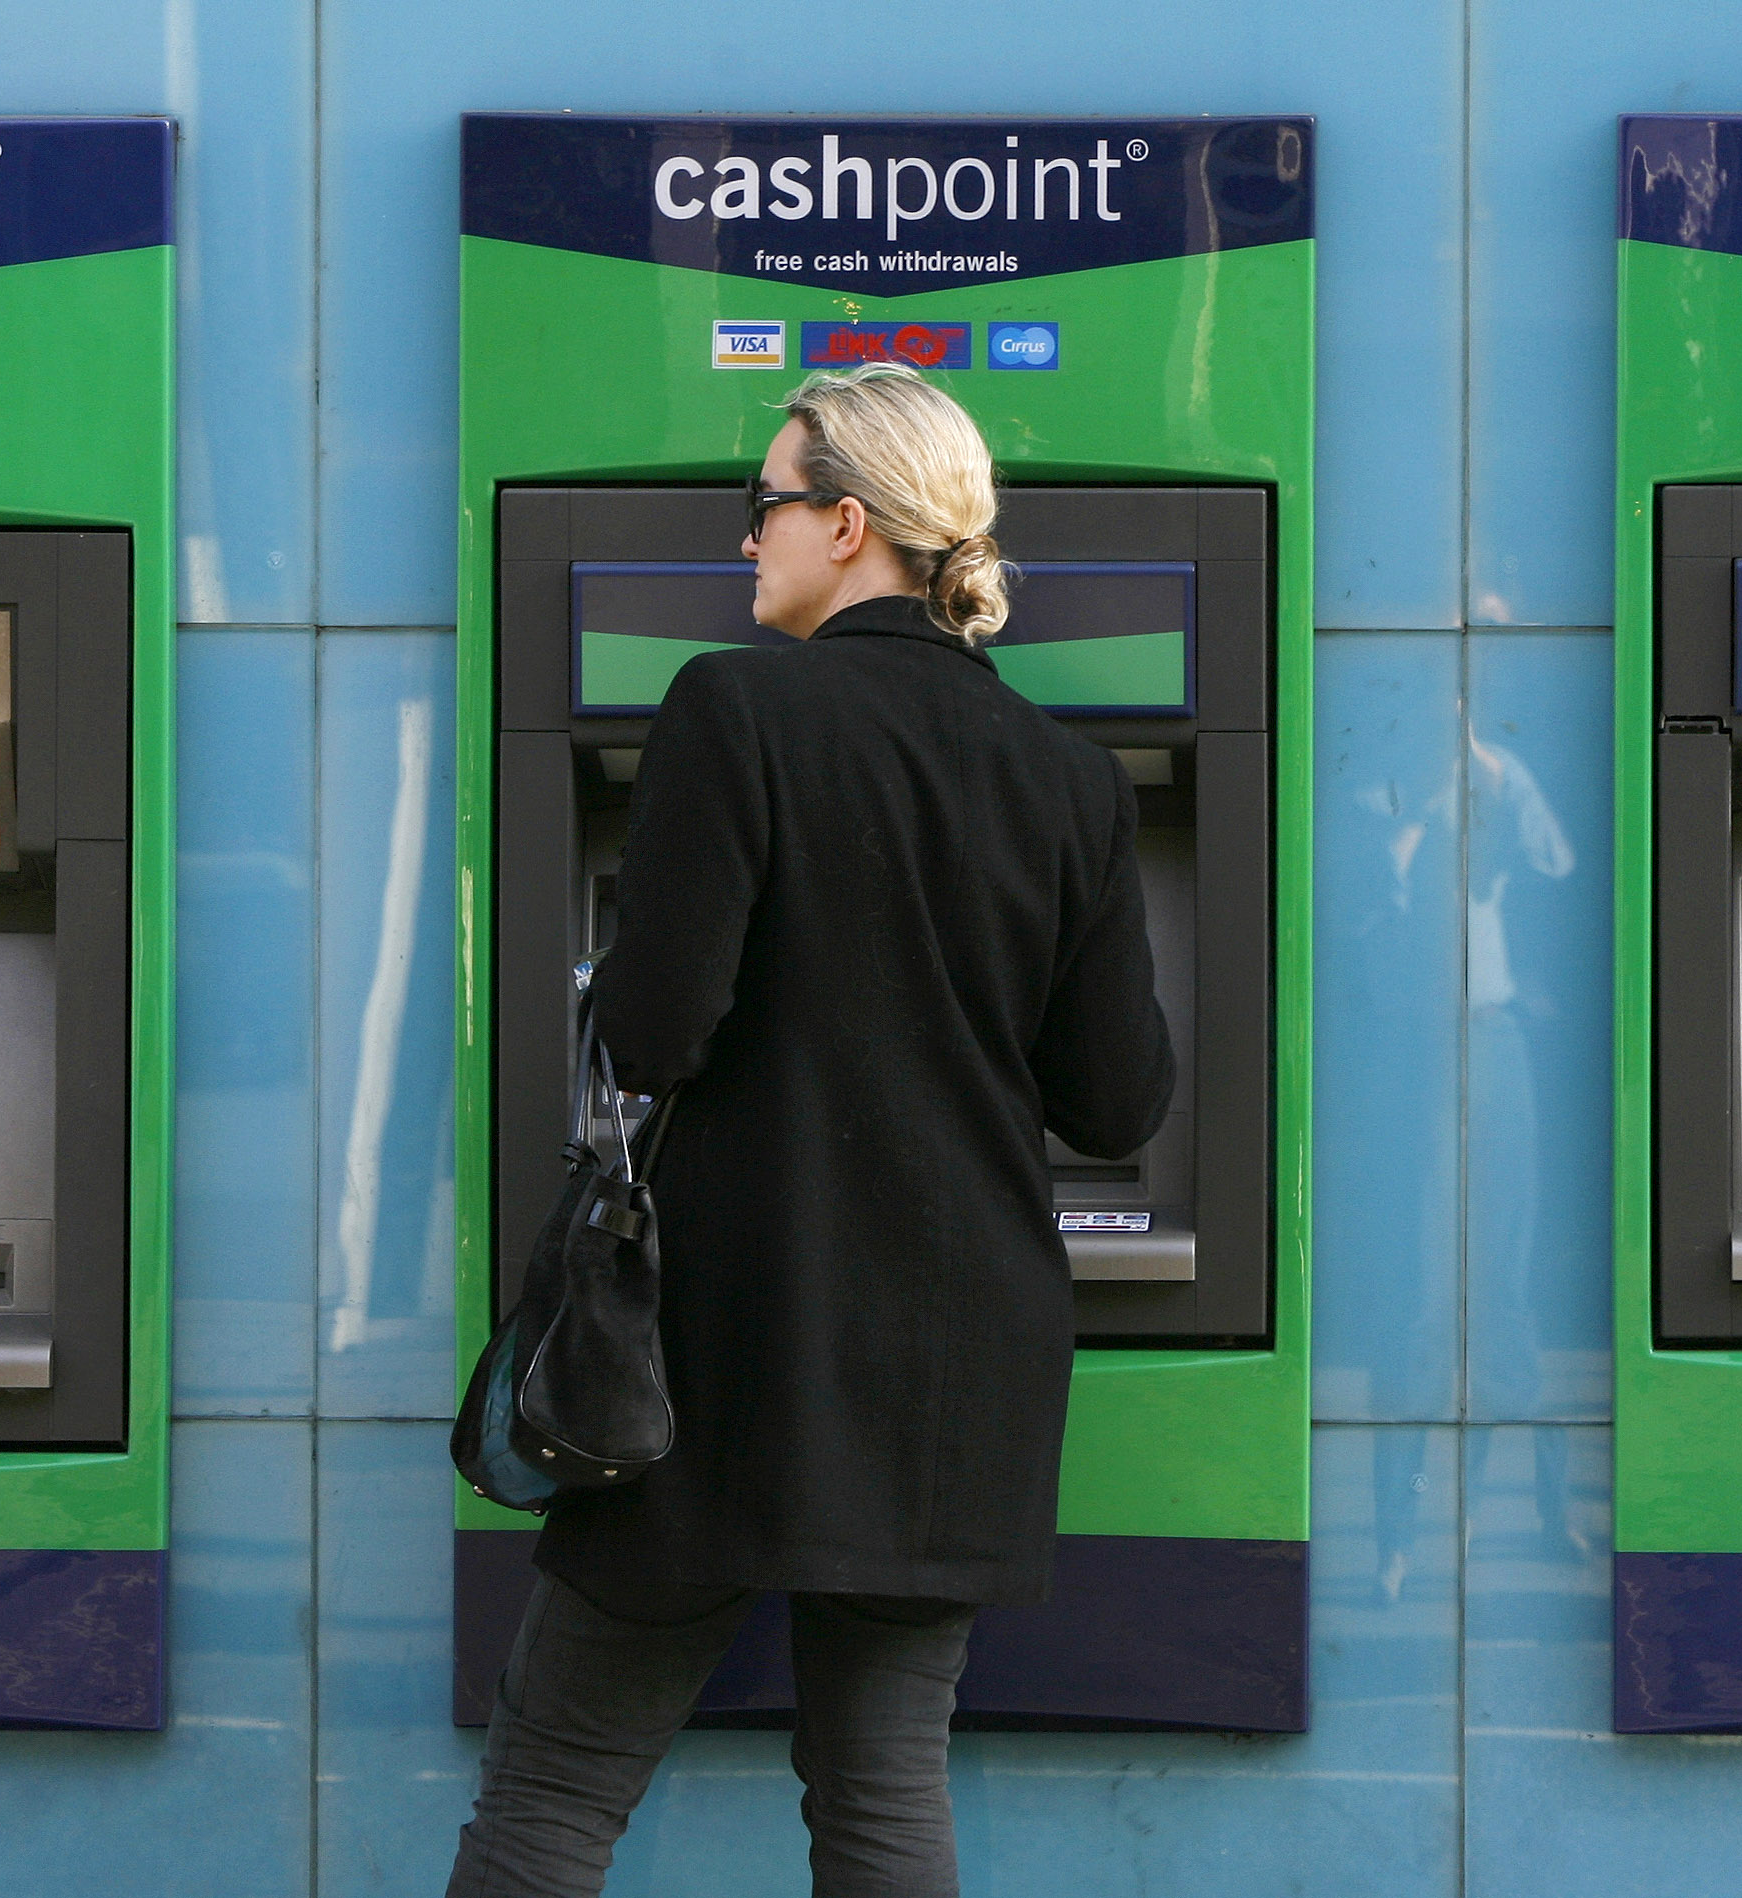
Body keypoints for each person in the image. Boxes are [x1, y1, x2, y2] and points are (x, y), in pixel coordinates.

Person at [447, 364, 1177, 1898]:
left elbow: (654, 1030)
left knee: (559, 1784)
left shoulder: (734, 706)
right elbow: (1118, 1100)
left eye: (763, 505)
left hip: (727, 1337)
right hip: (959, 1357)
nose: (745, 542)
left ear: (846, 522)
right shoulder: (1068, 778)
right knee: (882, 1785)